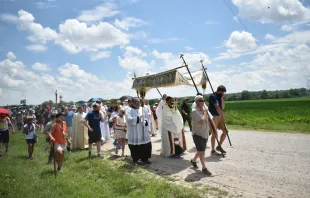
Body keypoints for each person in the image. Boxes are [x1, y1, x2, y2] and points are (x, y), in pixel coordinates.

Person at [190, 95, 214, 175]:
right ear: (196, 102)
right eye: (201, 100)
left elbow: (208, 120)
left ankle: (193, 160)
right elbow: (202, 121)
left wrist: (211, 128)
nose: (203, 102)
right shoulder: (194, 111)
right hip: (198, 134)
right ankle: (204, 167)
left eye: (203, 100)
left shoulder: (203, 109)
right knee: (202, 151)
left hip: (205, 133)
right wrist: (205, 112)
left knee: (201, 150)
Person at [126, 97, 152, 165]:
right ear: (132, 103)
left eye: (139, 102)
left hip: (143, 130)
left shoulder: (142, 109)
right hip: (134, 132)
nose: (138, 104)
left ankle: (145, 159)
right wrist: (138, 118)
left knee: (145, 145)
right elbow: (128, 119)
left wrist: (145, 121)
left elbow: (147, 117)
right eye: (136, 102)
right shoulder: (129, 110)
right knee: (135, 146)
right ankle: (135, 160)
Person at [209, 85, 227, 155]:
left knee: (225, 131)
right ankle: (213, 150)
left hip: (219, 116)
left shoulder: (220, 96)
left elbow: (222, 107)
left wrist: (222, 98)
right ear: (219, 91)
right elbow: (217, 107)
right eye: (222, 92)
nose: (223, 94)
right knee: (214, 133)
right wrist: (222, 115)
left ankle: (219, 146)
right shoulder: (212, 96)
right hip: (214, 116)